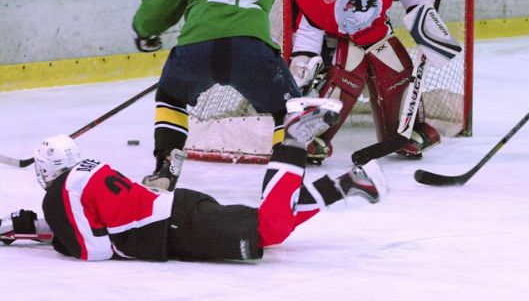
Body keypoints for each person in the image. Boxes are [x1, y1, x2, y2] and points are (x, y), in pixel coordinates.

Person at [0, 99, 387, 261]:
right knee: (268, 218)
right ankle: (348, 184)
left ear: (46, 169)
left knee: (270, 229)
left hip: (178, 227)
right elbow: (93, 219)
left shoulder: (58, 192)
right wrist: (35, 228)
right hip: (182, 207)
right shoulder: (90, 169)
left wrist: (59, 244)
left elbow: (95, 249)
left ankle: (294, 139)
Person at [131, 0, 301, 189]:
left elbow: (160, 8)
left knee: (171, 98)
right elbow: (260, 7)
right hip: (253, 51)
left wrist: (144, 31)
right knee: (290, 109)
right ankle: (285, 175)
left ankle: (165, 168)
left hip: (197, 51)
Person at [289, 0, 461, 164]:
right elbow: (309, 31)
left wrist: (424, 21)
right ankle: (315, 134)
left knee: (399, 71)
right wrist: (302, 60)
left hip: (377, 32)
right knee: (346, 77)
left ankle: (403, 131)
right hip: (340, 39)